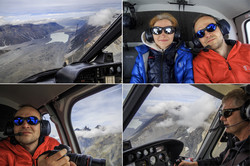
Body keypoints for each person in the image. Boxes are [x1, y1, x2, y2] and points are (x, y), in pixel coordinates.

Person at [179, 88, 250, 166]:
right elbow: (221, 161)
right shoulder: (234, 141)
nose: (221, 118)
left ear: (247, 113)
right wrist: (195, 164)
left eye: (227, 113)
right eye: (221, 114)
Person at [0, 105, 76, 166]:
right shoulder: (2, 151)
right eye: (18, 121)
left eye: (32, 120)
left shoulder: (53, 145)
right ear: (12, 127)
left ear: (42, 127)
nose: (25, 125)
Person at [130, 12, 194, 83]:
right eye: (157, 30)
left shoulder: (185, 55)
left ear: (175, 34)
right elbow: (136, 80)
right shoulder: (142, 54)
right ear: (150, 34)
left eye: (168, 30)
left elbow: (189, 80)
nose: (163, 35)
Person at [192, 14, 250, 83]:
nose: (207, 35)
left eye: (211, 27)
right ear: (198, 41)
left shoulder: (248, 50)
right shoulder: (199, 64)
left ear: (222, 28)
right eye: (200, 33)